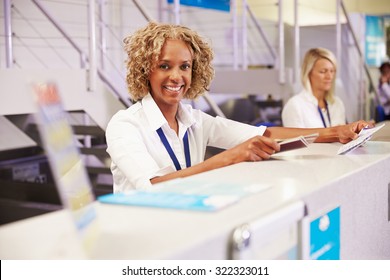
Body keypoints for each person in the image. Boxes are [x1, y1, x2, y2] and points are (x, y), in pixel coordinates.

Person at [106, 22, 371, 192]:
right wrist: (231, 156)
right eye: (164, 66)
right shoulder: (125, 125)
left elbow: (264, 134)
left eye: (185, 66)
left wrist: (337, 133)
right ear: (145, 71)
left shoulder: (196, 120)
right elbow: (153, 187)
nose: (177, 76)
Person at [282, 48, 346, 128]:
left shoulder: (337, 103)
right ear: (308, 73)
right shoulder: (295, 105)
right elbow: (295, 140)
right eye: (323, 71)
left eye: (332, 71)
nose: (329, 76)